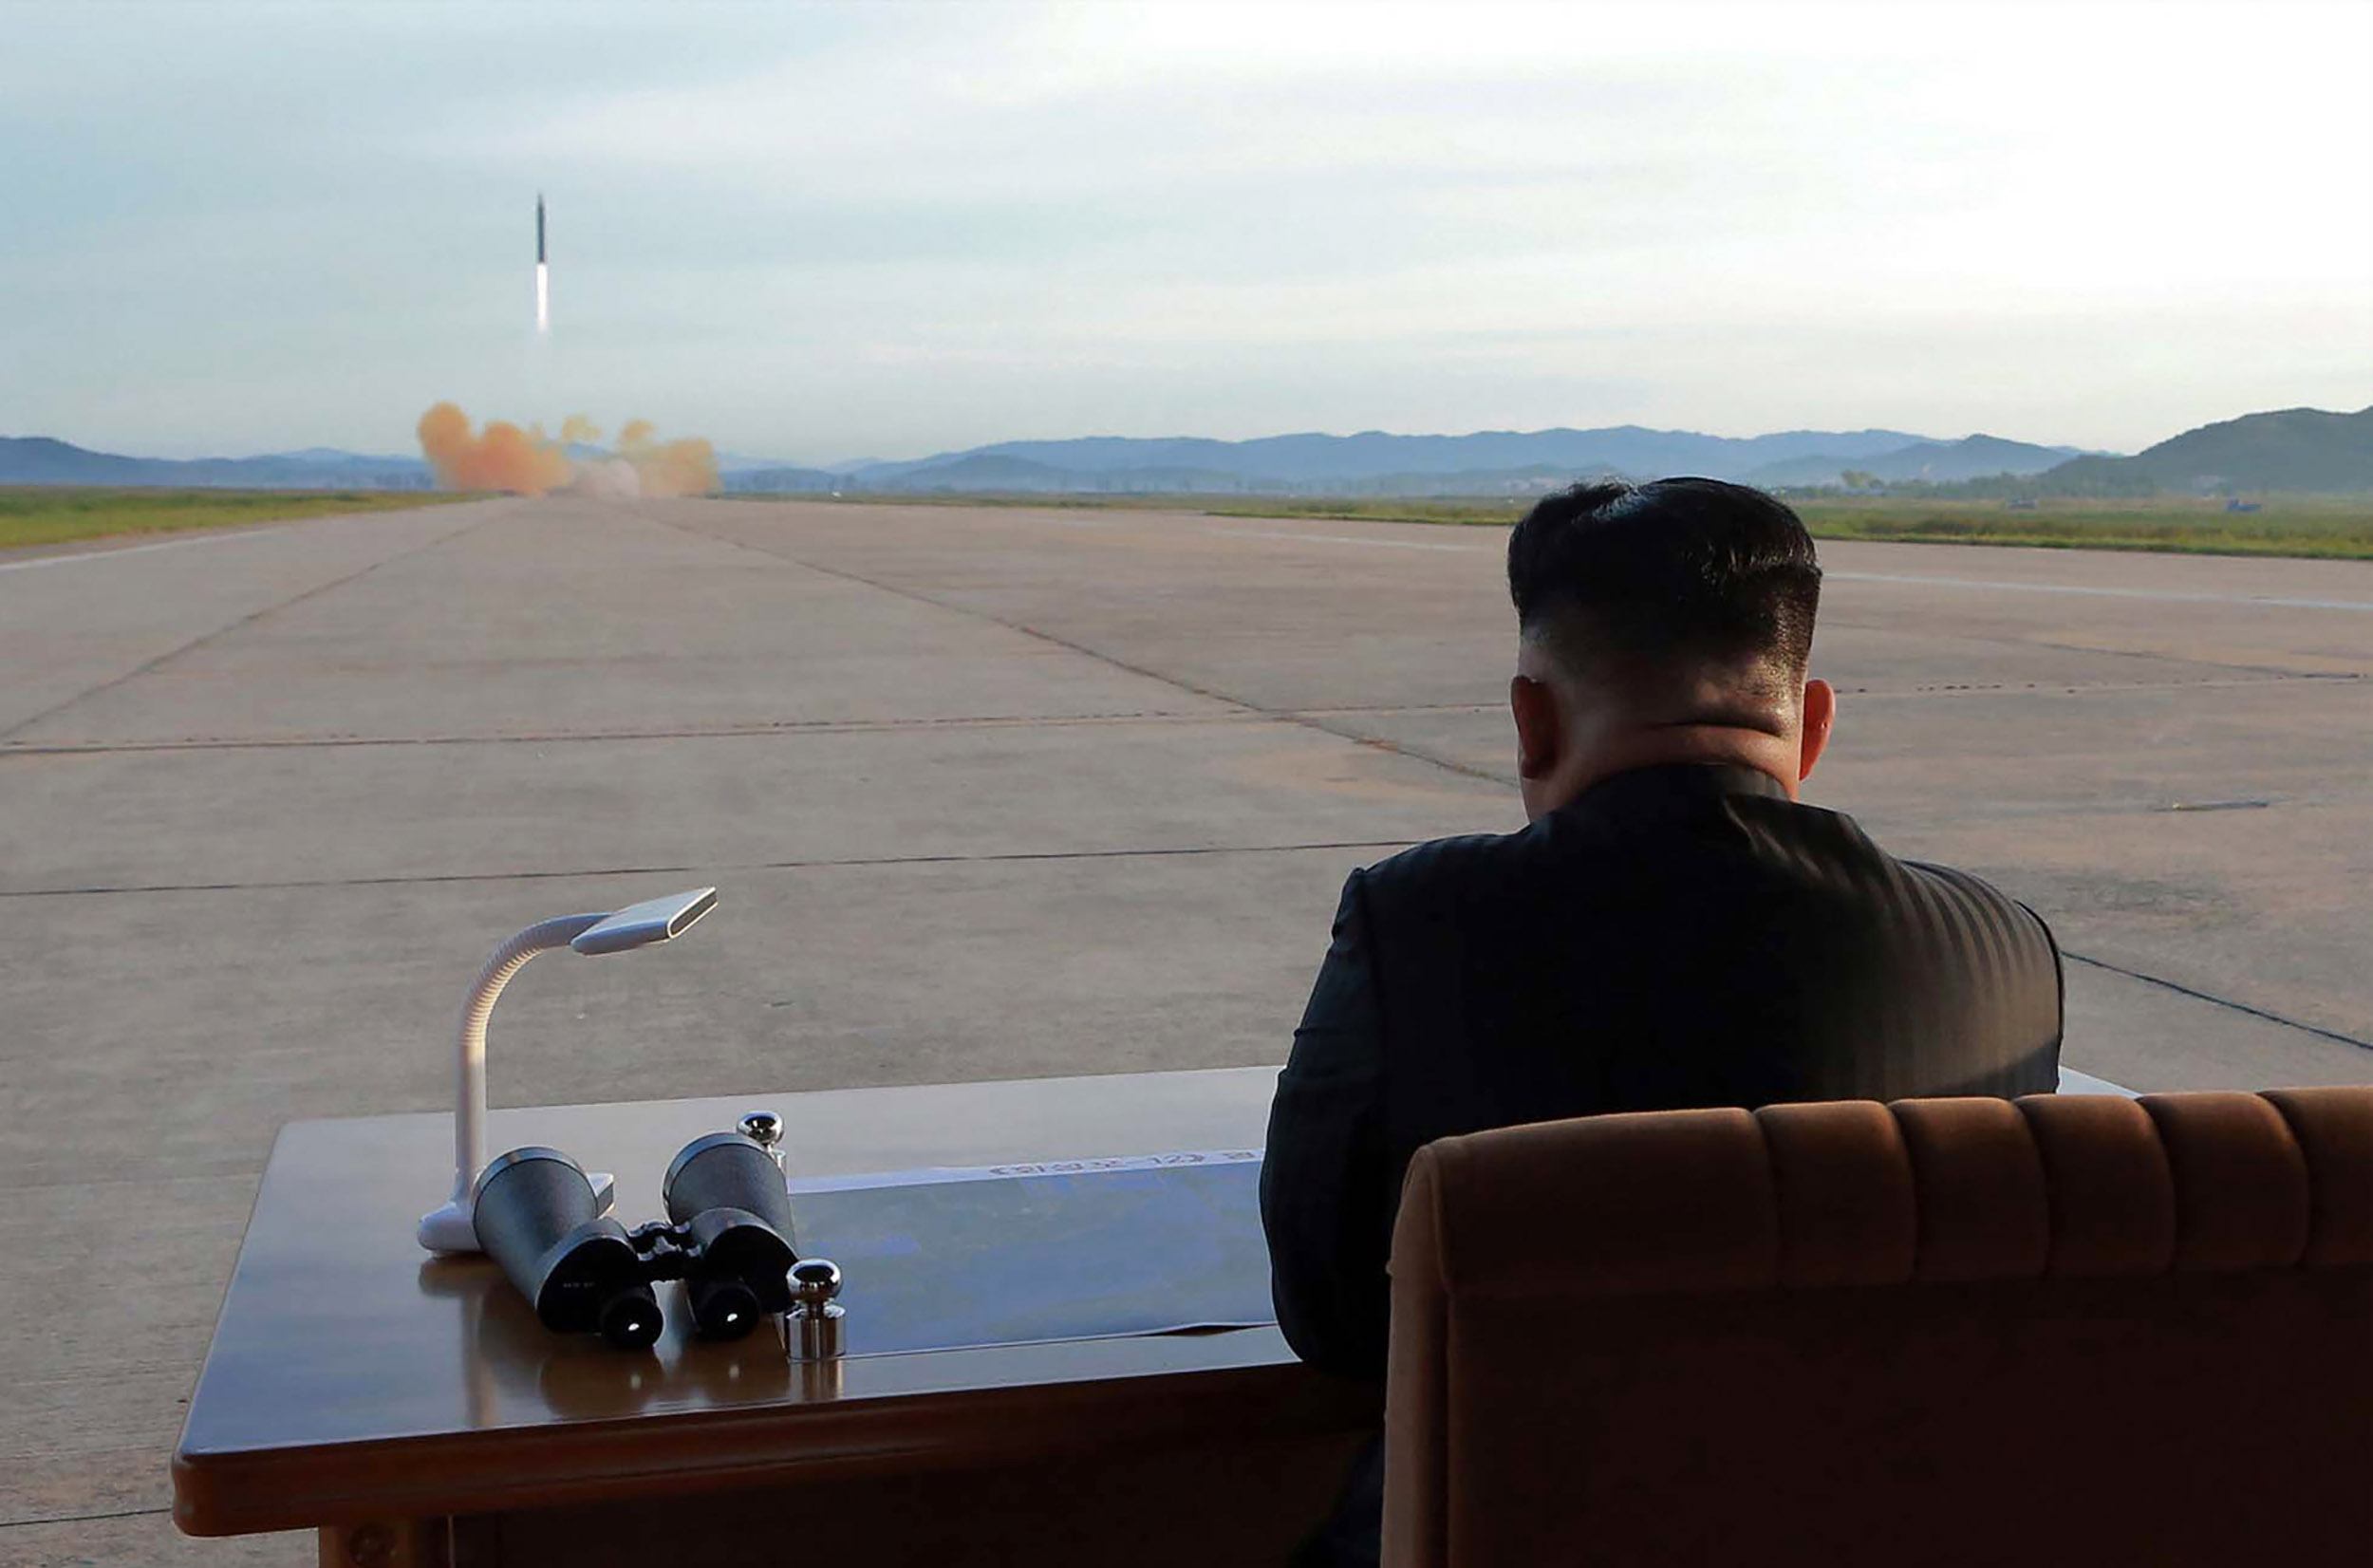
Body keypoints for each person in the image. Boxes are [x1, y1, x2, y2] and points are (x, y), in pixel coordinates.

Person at [1261, 477, 2064, 1564]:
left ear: (1529, 718)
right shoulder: (2004, 947)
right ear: (1812, 722)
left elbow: (1336, 1319)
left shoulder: (1419, 918)